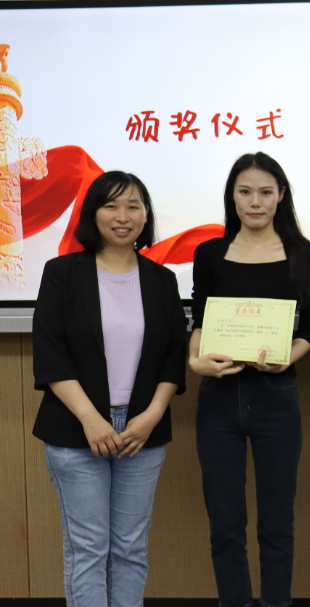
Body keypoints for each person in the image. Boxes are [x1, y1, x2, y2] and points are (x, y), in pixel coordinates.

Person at [32, 171, 188, 606]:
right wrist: (91, 419)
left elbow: (173, 357)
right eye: (111, 206)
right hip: (76, 430)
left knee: (130, 549)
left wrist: (152, 416)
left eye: (134, 206)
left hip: (142, 433)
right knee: (88, 550)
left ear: (145, 216)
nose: (123, 217)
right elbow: (51, 354)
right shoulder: (62, 273)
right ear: (92, 214)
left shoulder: (162, 280)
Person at [188, 152, 310, 607]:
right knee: (225, 525)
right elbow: (200, 319)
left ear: (281, 196)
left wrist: (288, 358)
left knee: (276, 524)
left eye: (265, 192)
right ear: (232, 196)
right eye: (245, 192)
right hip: (219, 397)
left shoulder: (303, 253)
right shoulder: (210, 253)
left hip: (275, 397)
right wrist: (195, 361)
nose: (255, 202)